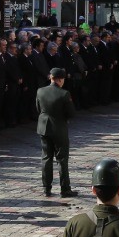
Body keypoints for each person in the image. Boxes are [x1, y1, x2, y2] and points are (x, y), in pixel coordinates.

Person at [36, 67, 78, 198]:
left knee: (46, 158)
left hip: (44, 127)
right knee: (62, 159)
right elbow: (71, 113)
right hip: (59, 128)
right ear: (60, 80)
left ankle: (46, 188)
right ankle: (65, 189)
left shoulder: (40, 91)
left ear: (51, 78)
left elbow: (38, 108)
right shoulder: (64, 94)